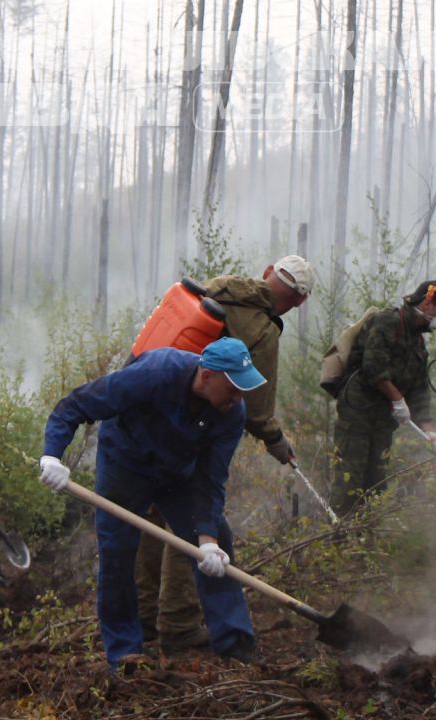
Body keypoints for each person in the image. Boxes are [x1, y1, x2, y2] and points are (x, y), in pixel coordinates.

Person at [38, 338, 264, 670]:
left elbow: (211, 479)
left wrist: (207, 540)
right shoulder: (155, 373)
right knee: (117, 554)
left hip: (178, 475)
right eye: (233, 387)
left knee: (220, 543)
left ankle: (234, 642)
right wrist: (51, 455)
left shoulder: (231, 413)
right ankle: (124, 652)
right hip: (125, 466)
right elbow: (76, 404)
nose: (238, 397)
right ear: (206, 376)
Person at [139, 255, 314, 651]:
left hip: (152, 411)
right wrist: (275, 440)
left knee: (148, 517)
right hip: (195, 429)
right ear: (300, 301)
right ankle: (179, 625)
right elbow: (254, 405)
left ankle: (143, 620)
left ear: (268, 272)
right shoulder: (264, 330)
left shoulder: (218, 287)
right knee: (191, 523)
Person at [332, 280, 436, 512]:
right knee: (349, 479)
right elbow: (373, 367)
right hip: (358, 413)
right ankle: (338, 540)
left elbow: (419, 390)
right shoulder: (388, 321)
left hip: (383, 422)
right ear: (428, 303)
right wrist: (397, 399)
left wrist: (429, 430)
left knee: (376, 483)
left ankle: (366, 538)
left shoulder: (417, 341)